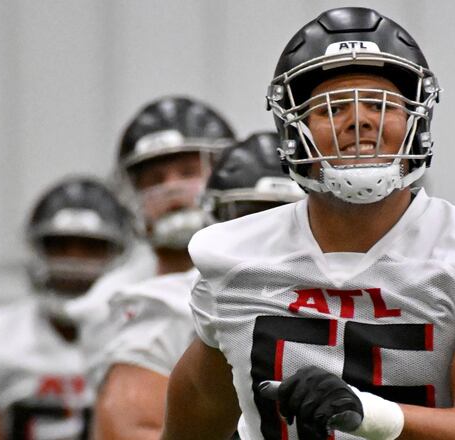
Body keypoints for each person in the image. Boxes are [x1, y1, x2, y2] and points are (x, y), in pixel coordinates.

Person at [163, 7, 455, 440]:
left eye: (378, 104)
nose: (359, 120)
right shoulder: (233, 259)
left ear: (414, 121)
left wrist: (371, 416)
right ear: (293, 131)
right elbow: (197, 414)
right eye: (333, 108)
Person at [92, 132, 304, 439]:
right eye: (247, 215)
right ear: (211, 219)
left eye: (284, 216)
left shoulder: (363, 289)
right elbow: (131, 429)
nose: (264, 232)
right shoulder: (168, 305)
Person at [85, 96, 236, 439]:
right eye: (154, 178)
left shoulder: (267, 267)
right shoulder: (106, 303)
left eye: (188, 172)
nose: (171, 189)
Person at [0, 176, 131, 439]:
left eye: (90, 248)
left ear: (118, 254)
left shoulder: (140, 333)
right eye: (60, 246)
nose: (73, 262)